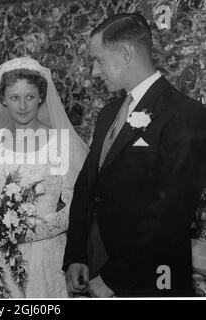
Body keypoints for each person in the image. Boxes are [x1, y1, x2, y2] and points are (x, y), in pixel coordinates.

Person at [64, 13, 206, 297]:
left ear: (126, 52)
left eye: (99, 60)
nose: (94, 71)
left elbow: (171, 214)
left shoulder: (186, 115)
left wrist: (114, 276)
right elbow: (87, 186)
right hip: (97, 259)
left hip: (150, 276)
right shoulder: (107, 114)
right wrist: (76, 253)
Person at [0, 57, 88, 298]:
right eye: (15, 97)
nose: (23, 105)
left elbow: (78, 206)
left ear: (41, 98)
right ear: (3, 99)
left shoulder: (62, 143)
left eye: (30, 97)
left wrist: (30, 231)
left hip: (43, 253)